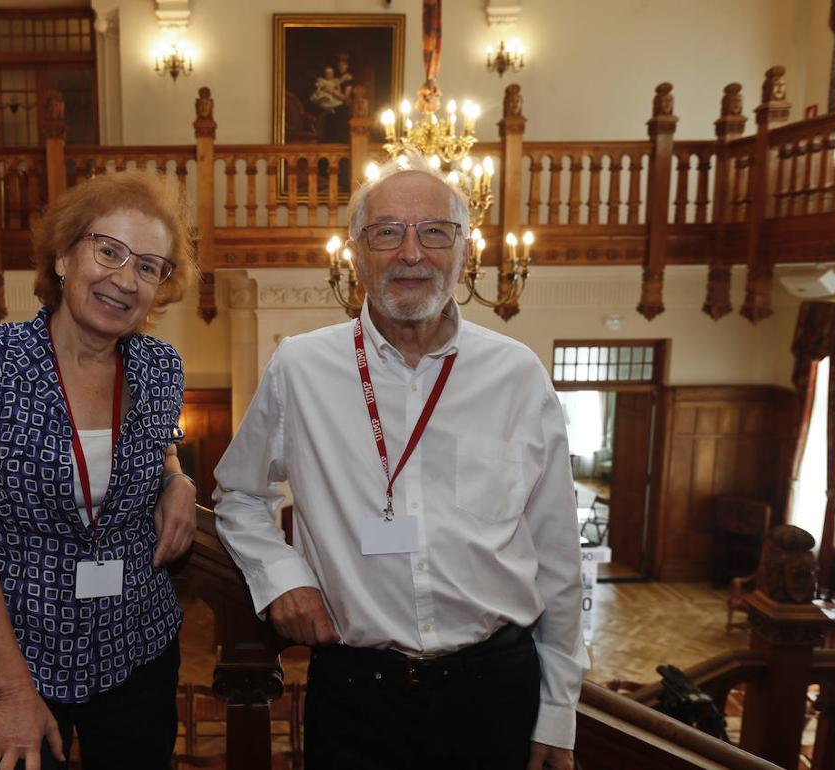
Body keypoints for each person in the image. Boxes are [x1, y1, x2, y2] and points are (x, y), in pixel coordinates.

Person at [213, 154, 587, 770]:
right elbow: (239, 494)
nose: (411, 252)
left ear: (465, 250)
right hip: (357, 693)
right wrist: (283, 576)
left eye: (434, 231)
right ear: (355, 253)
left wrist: (558, 709)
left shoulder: (517, 374)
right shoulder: (301, 369)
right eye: (387, 231)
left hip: (493, 690)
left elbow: (557, 553)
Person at [0, 169, 198, 770]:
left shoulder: (161, 367)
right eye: (109, 251)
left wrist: (179, 478)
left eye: (149, 267)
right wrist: (14, 692)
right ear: (65, 256)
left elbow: (160, 444)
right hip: (14, 653)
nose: (125, 280)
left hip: (137, 643)